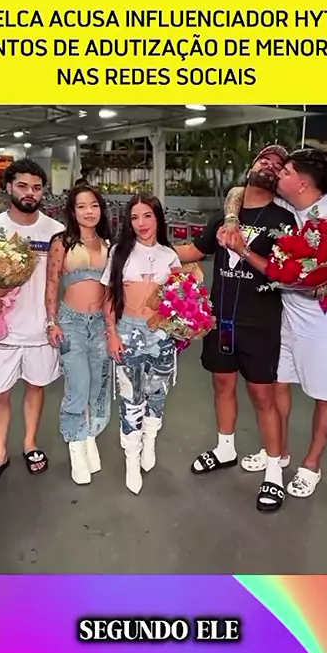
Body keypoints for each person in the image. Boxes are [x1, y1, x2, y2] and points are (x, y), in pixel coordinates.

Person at [240, 148, 327, 498]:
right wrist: (230, 220)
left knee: (325, 394)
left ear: (302, 183)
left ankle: (312, 464)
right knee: (278, 382)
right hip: (287, 314)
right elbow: (237, 193)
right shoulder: (286, 206)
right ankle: (280, 450)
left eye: (286, 171)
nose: (279, 175)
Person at [175, 145, 297, 512]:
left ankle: (274, 473)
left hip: (259, 323)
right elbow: (193, 251)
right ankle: (225, 448)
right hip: (220, 319)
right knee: (222, 385)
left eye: (277, 165)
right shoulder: (225, 214)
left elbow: (283, 273)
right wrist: (143, 247)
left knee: (263, 397)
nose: (269, 166)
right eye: (264, 160)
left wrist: (244, 249)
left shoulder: (284, 221)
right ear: (251, 167)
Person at [0, 158, 64, 488]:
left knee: (36, 386)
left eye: (36, 188)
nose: (30, 193)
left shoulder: (55, 231)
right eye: (23, 186)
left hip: (40, 328)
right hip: (1, 330)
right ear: (8, 187)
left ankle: (29, 443)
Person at [101, 194, 181, 495]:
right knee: (130, 397)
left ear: (158, 218)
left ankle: (150, 443)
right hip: (128, 334)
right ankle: (131, 458)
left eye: (147, 215)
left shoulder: (169, 255)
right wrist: (112, 334)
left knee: (156, 394)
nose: (141, 223)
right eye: (134, 217)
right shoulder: (119, 253)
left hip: (161, 336)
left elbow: (180, 298)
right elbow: (109, 298)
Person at [45, 183, 112, 485]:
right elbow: (51, 284)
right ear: (72, 211)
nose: (89, 211)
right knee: (78, 386)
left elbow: (113, 290)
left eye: (94, 205)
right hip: (71, 323)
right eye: (82, 206)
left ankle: (90, 437)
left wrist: (112, 328)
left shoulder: (109, 244)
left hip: (100, 325)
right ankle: (75, 445)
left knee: (99, 387)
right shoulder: (61, 242)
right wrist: (51, 322)